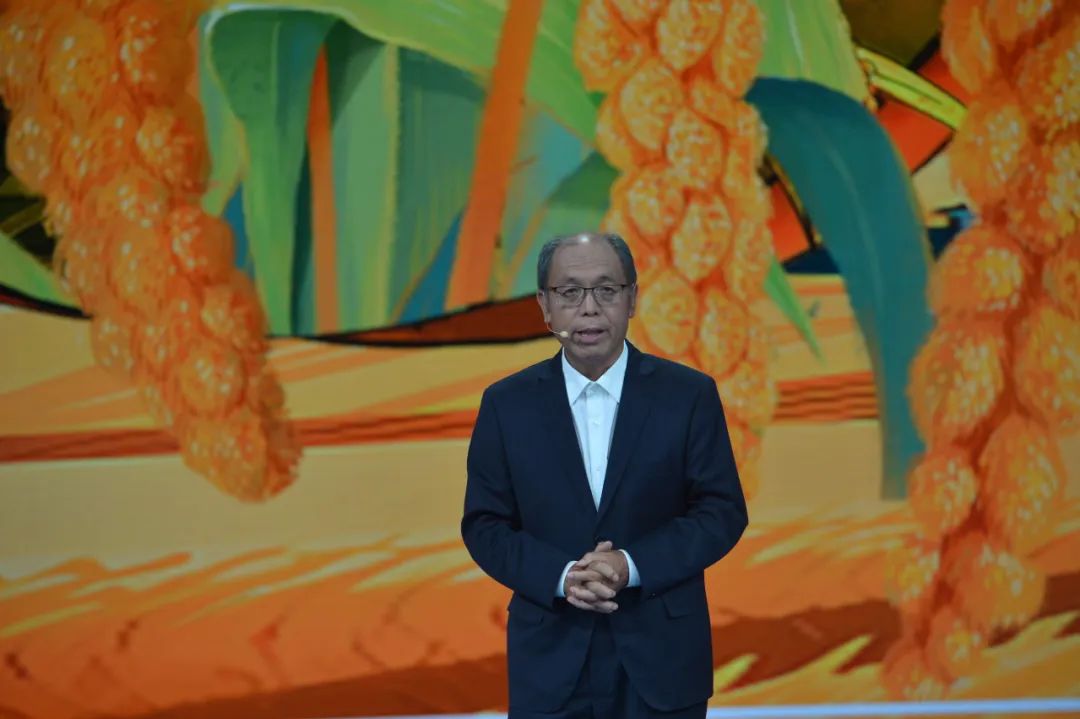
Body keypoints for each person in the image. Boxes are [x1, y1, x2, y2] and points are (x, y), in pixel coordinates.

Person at [461, 232, 748, 719]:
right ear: (544, 306)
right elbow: (485, 525)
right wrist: (563, 577)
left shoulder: (688, 395)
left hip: (662, 660)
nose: (589, 308)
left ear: (632, 299)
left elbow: (720, 512)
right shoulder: (506, 405)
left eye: (606, 290)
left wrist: (630, 565)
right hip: (551, 661)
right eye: (570, 292)